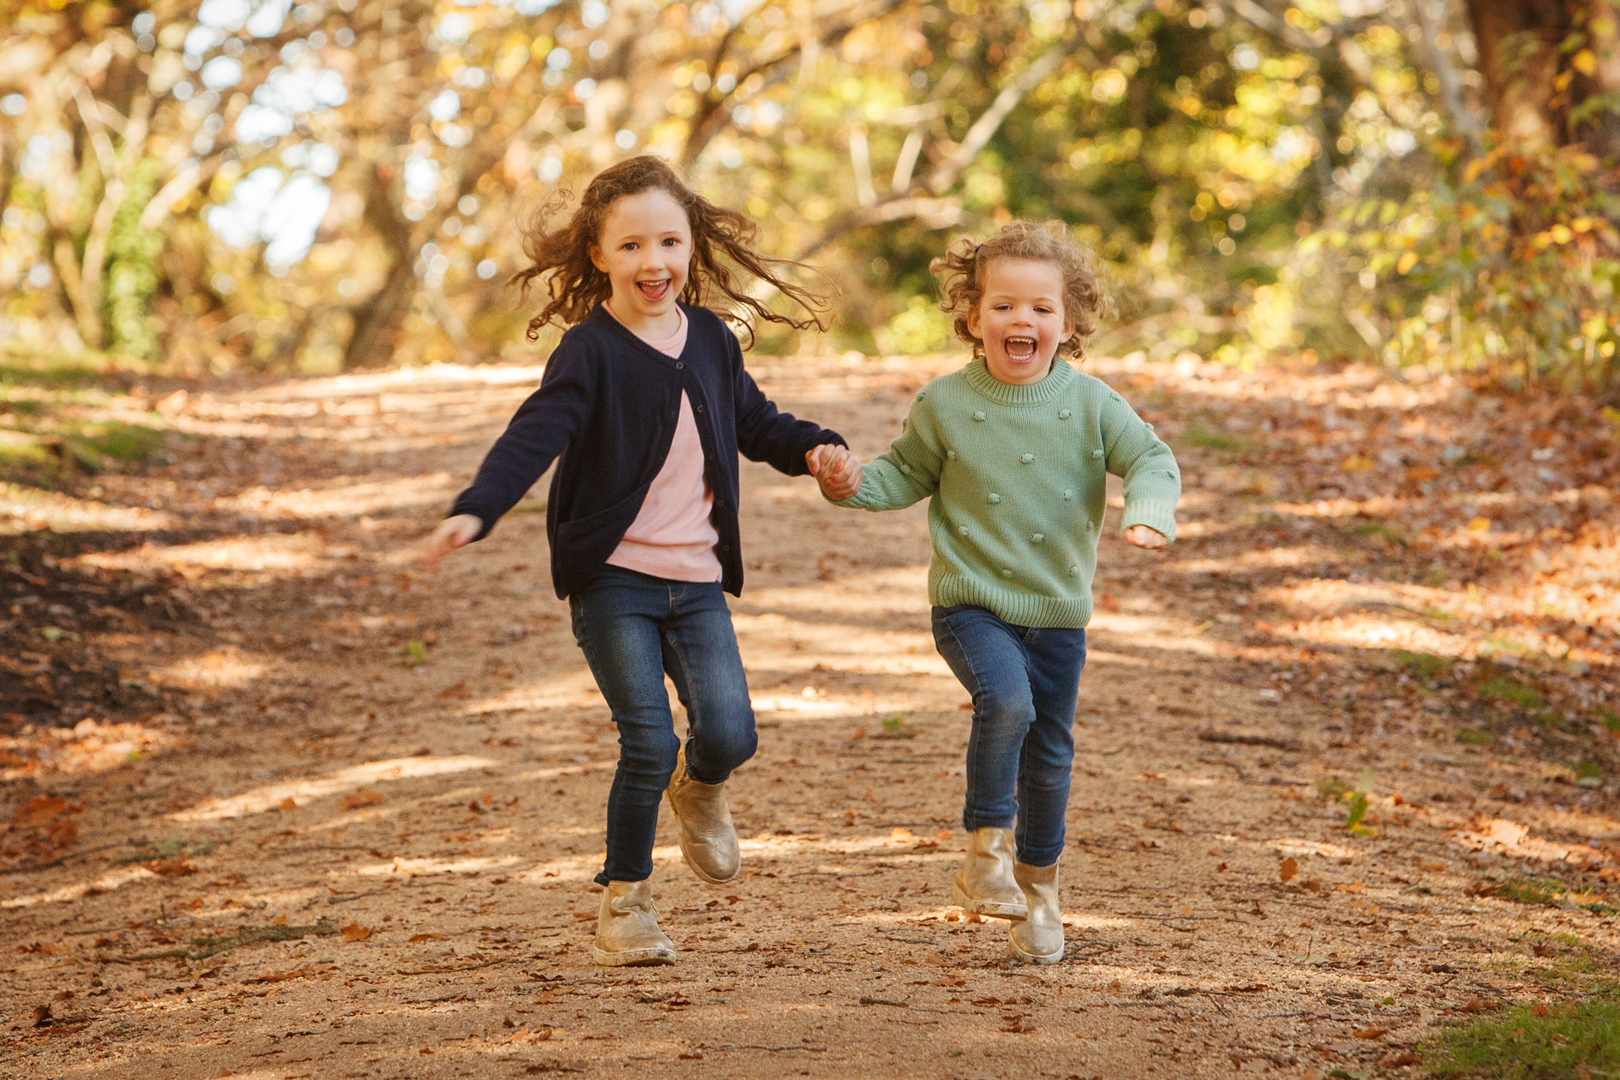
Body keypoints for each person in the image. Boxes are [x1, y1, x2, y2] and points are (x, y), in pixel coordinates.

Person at [423, 156, 857, 966]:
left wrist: (813, 450)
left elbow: (756, 423)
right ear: (597, 255)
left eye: (668, 242)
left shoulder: (713, 344)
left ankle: (702, 790)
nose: (652, 262)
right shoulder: (589, 351)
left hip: (694, 584)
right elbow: (537, 432)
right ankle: (626, 902)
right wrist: (478, 506)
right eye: (630, 246)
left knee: (728, 734)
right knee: (648, 741)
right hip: (613, 580)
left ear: (691, 245)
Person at [811, 221, 1180, 964]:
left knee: (1049, 754)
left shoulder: (1092, 404)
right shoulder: (944, 404)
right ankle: (985, 849)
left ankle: (1039, 889)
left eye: (1042, 309)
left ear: (1068, 323)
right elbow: (902, 474)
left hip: (1058, 612)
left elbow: (1150, 457)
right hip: (970, 602)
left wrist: (1148, 512)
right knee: (1005, 702)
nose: (1023, 321)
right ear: (973, 318)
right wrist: (847, 483)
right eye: (1004, 306)